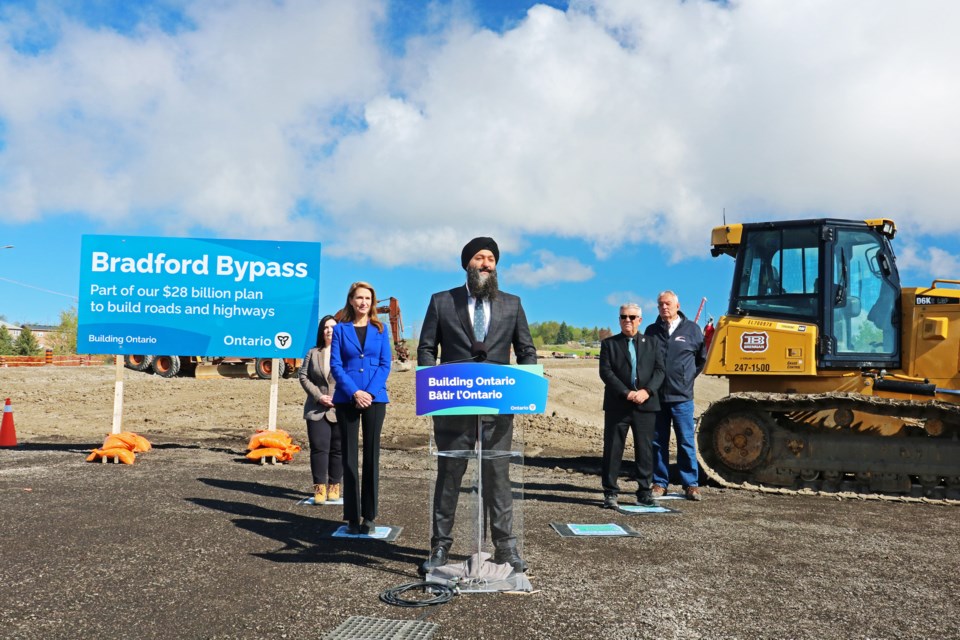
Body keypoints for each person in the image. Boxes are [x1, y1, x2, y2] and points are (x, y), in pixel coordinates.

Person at [417, 236, 537, 574]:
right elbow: (427, 349)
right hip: (453, 408)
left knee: (498, 478)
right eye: (479, 258)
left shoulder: (512, 304)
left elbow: (526, 350)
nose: (486, 263)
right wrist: (433, 384)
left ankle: (506, 548)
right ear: (467, 263)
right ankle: (440, 547)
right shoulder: (442, 301)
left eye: (491, 259)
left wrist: (526, 386)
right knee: (449, 476)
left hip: (497, 410)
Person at [329, 281, 392, 533]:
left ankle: (369, 516)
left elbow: (384, 365)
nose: (363, 302)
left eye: (367, 298)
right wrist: (354, 392)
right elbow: (336, 365)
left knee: (371, 457)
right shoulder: (341, 330)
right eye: (359, 298)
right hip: (347, 399)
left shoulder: (380, 329)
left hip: (375, 399)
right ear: (351, 301)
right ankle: (352, 517)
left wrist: (368, 393)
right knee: (349, 458)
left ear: (372, 302)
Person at [598, 303, 665, 509]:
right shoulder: (609, 344)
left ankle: (644, 491)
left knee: (644, 450)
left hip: (646, 404)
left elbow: (660, 371)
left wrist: (646, 391)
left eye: (632, 317)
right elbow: (606, 372)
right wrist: (626, 393)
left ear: (640, 320)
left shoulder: (653, 343)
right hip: (618, 405)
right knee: (613, 449)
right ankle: (610, 492)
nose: (627, 320)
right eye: (623, 317)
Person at [644, 290, 707, 501]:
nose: (664, 307)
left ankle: (691, 484)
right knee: (658, 442)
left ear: (677, 305)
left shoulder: (692, 329)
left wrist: (686, 378)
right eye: (660, 304)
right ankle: (659, 483)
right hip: (657, 397)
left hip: (682, 398)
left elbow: (701, 359)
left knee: (686, 441)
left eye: (668, 304)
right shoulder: (651, 331)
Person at [299, 314, 342, 505]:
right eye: (326, 327)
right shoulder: (313, 352)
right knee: (318, 449)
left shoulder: (345, 353)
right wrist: (319, 396)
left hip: (339, 408)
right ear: (321, 331)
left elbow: (350, 377)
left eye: (333, 327)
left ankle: (334, 487)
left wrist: (339, 397)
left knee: (337, 450)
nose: (329, 330)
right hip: (316, 409)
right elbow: (303, 376)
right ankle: (319, 488)